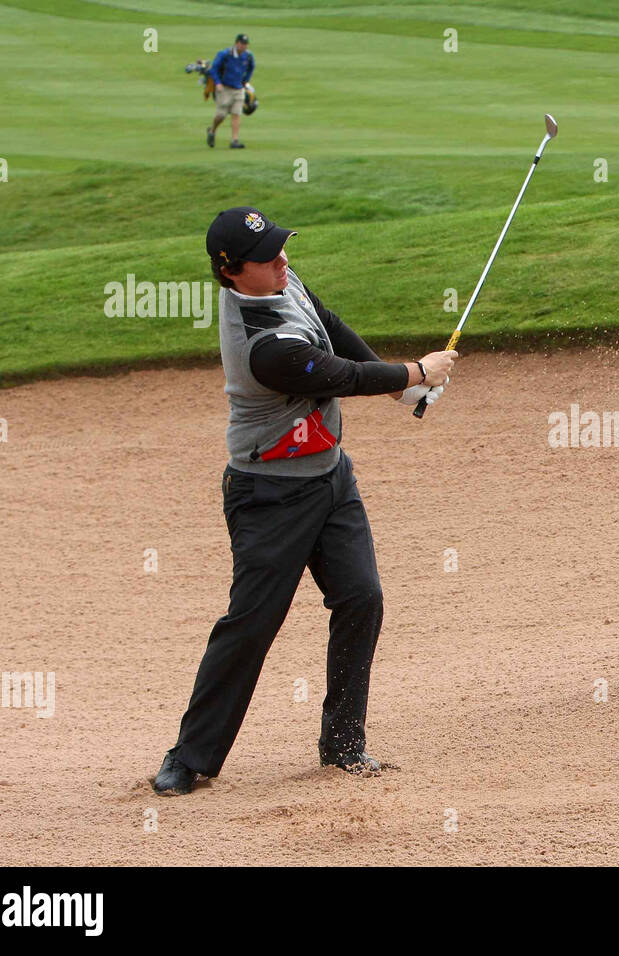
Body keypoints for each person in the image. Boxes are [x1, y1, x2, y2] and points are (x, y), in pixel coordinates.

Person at [152, 206, 457, 795]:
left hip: (329, 479)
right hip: (269, 496)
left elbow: (334, 329)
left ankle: (343, 745)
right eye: (268, 257)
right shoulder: (262, 346)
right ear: (233, 272)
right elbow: (333, 373)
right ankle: (191, 757)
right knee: (252, 623)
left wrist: (405, 390)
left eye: (281, 247)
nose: (284, 260)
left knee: (362, 597)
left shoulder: (284, 283)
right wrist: (417, 369)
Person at [207, 34, 254, 149]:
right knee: (221, 115)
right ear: (236, 43)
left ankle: (234, 140)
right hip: (224, 88)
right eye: (242, 44)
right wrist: (217, 83)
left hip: (239, 89)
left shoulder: (248, 56)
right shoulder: (225, 54)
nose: (244, 46)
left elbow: (251, 67)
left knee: (236, 114)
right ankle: (212, 131)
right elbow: (214, 69)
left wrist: (246, 81)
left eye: (246, 44)